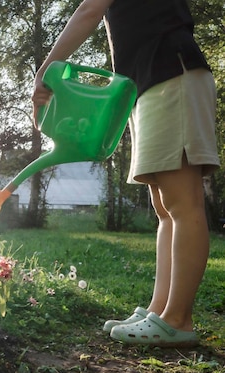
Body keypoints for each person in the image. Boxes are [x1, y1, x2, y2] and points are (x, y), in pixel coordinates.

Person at [32, 0, 220, 347]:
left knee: (183, 203)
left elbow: (89, 9)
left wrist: (44, 70)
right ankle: (159, 312)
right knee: (165, 208)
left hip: (170, 71)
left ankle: (178, 319)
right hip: (150, 80)